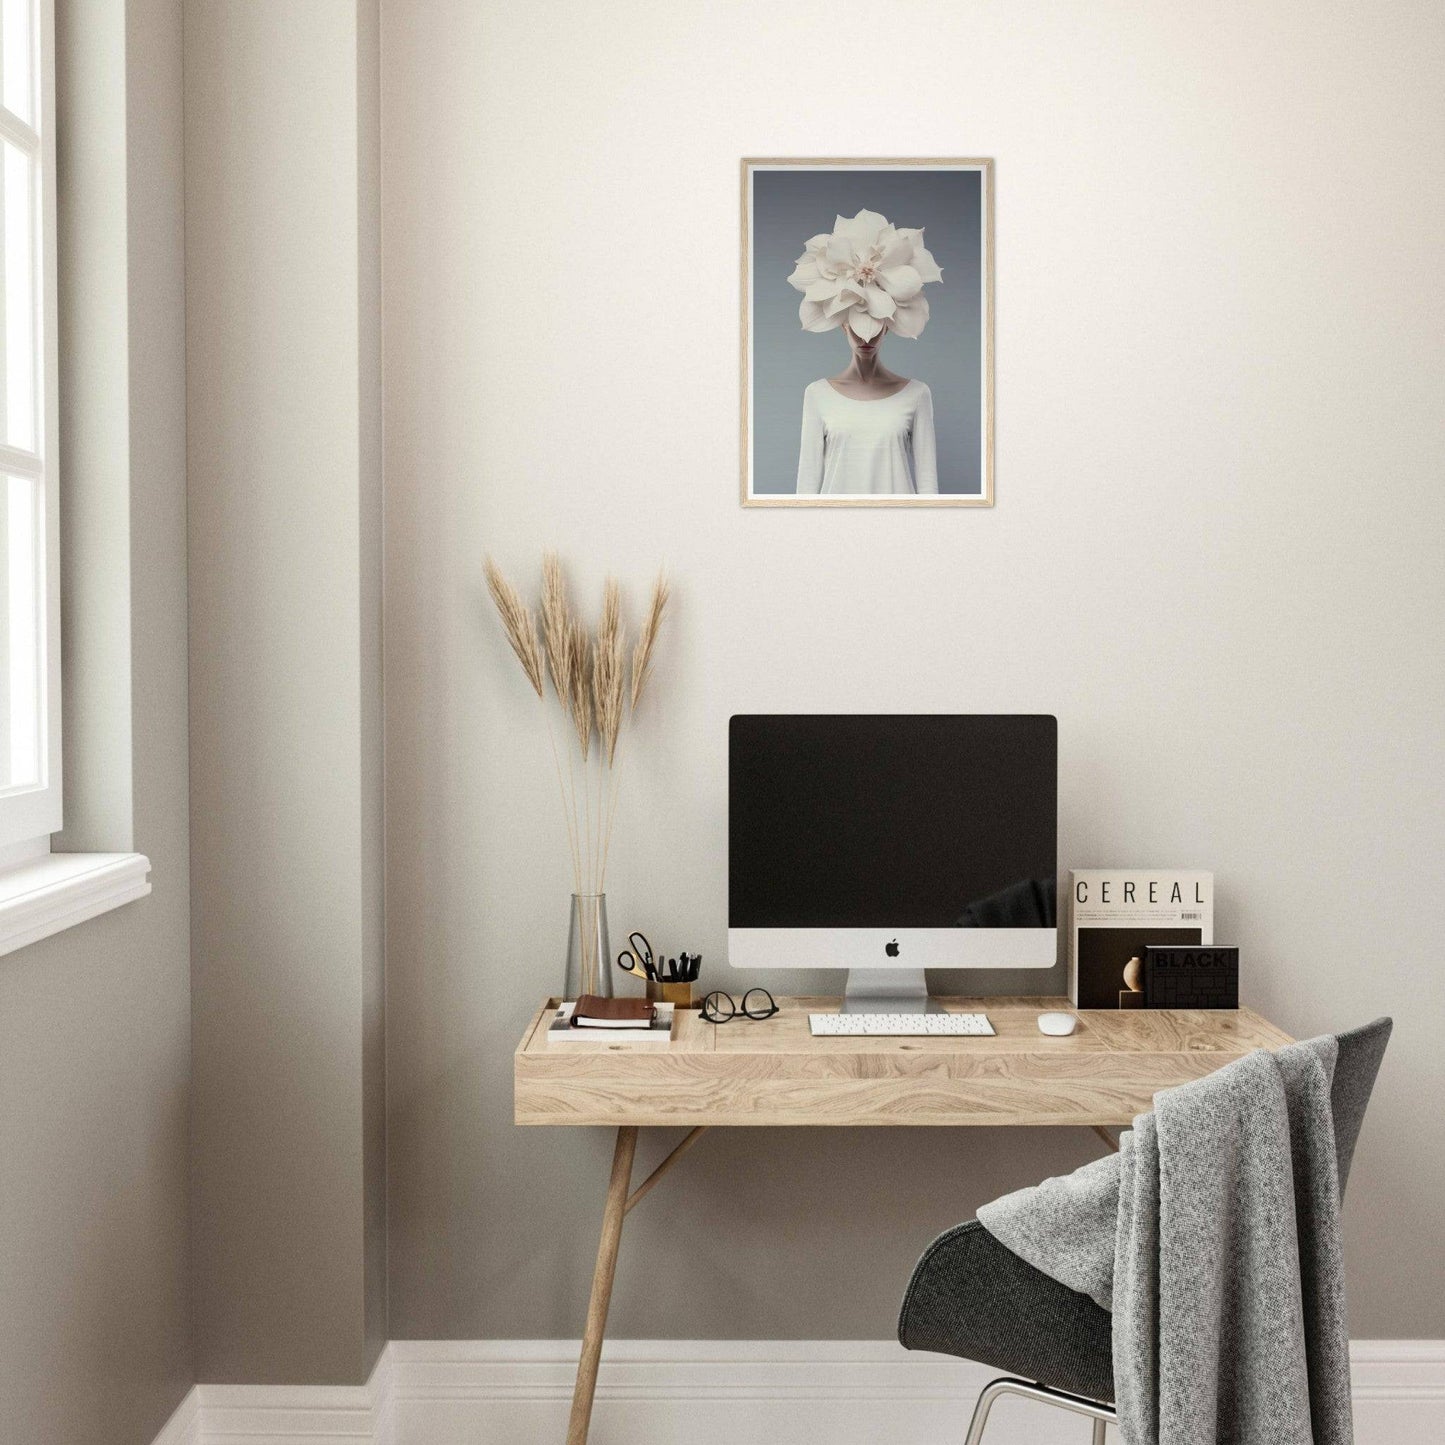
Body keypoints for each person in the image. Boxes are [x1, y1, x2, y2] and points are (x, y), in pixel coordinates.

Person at [787, 207, 943, 496]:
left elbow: (928, 486)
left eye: (876, 322)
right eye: (857, 322)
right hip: (835, 530)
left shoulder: (917, 394)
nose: (865, 334)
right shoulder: (817, 395)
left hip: (899, 530)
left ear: (889, 325)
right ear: (842, 324)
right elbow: (806, 486)